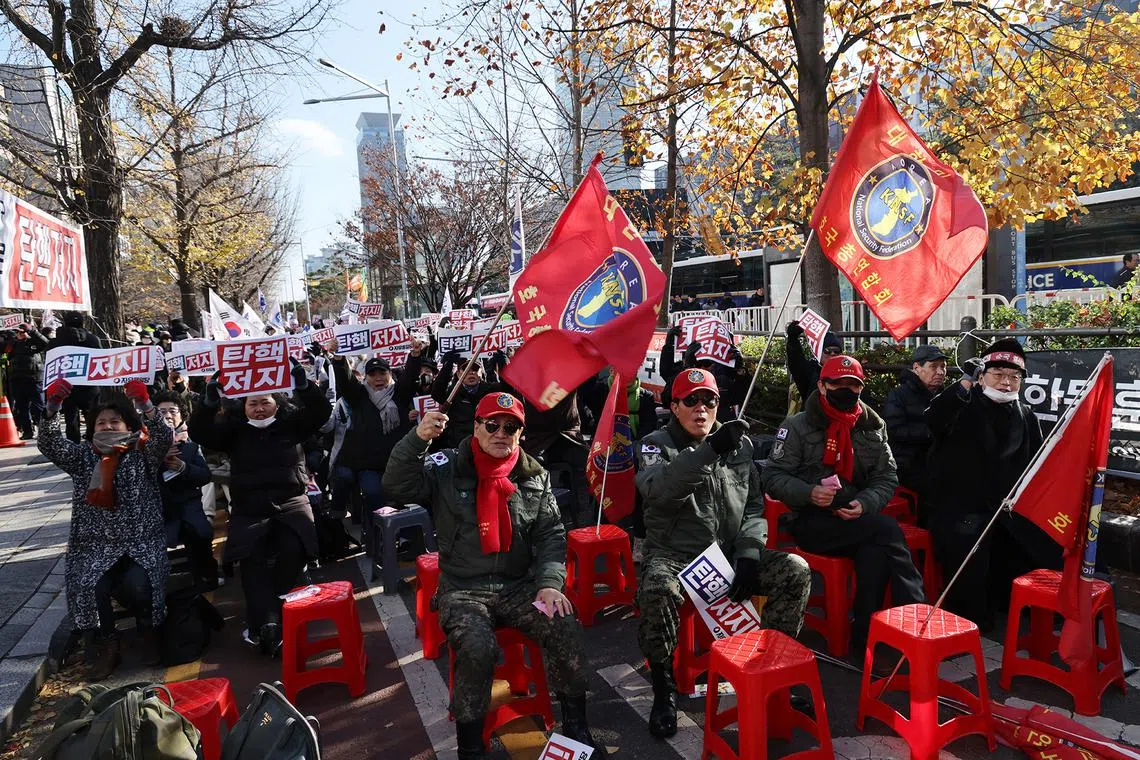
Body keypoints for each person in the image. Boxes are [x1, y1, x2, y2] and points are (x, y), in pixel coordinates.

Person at [383, 393, 606, 758]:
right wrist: (416, 439)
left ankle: (576, 726)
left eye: (511, 426)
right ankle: (470, 745)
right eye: (492, 424)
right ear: (476, 426)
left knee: (564, 622)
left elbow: (551, 534)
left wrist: (550, 584)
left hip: (519, 586)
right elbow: (397, 486)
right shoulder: (447, 466)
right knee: (477, 647)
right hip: (463, 589)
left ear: (520, 432)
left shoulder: (534, 475)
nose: (501, 433)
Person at [635, 368, 812, 737]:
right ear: (674, 406)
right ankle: (664, 685)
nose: (701, 408)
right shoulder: (655, 445)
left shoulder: (739, 445)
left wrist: (748, 553)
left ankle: (775, 668)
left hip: (729, 551)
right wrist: (707, 451)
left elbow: (753, 508)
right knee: (657, 591)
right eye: (691, 400)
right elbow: (660, 493)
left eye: (709, 400)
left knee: (795, 570)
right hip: (675, 554)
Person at [762, 355, 925, 656]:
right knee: (887, 530)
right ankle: (916, 615)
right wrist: (809, 492)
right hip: (812, 521)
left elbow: (887, 476)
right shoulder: (797, 426)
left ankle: (863, 641)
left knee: (875, 553)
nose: (846, 391)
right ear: (823, 386)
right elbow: (772, 476)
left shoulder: (872, 426)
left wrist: (864, 503)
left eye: (854, 385)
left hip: (858, 519)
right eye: (839, 384)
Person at [188, 359, 331, 655]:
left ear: (276, 402)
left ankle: (282, 617)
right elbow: (201, 432)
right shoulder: (233, 430)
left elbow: (321, 413)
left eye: (265, 402)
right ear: (244, 406)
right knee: (250, 559)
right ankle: (263, 624)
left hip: (291, 503)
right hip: (249, 509)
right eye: (253, 404)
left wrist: (304, 386)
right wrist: (208, 402)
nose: (259, 408)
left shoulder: (292, 424)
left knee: (292, 551)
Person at [38, 379, 172, 679]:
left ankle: (148, 631)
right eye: (102, 422)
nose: (109, 427)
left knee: (142, 586)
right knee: (89, 586)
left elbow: (164, 435)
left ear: (128, 424)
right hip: (94, 544)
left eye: (115, 421)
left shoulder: (142, 450)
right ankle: (106, 645)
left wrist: (146, 404)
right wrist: (52, 408)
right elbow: (49, 444)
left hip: (141, 541)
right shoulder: (83, 456)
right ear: (92, 427)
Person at [924, 338, 1060, 628]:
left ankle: (1021, 608)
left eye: (1014, 377)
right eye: (998, 375)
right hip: (960, 504)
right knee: (968, 544)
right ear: (982, 376)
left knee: (1042, 540)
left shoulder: (1026, 415)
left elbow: (1037, 464)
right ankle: (967, 620)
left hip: (1007, 506)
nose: (1006, 383)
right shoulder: (963, 403)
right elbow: (933, 420)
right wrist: (963, 383)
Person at [327, 346, 423, 521]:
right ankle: (377, 532)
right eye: (373, 374)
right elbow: (346, 381)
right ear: (366, 377)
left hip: (398, 460)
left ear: (390, 374)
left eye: (382, 373)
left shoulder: (400, 393)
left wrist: (415, 356)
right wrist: (339, 359)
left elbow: (409, 377)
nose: (378, 378)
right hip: (369, 465)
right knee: (373, 494)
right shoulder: (358, 396)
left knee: (408, 497)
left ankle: (406, 535)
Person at [154, 391, 219, 591]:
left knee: (200, 532)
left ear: (181, 415)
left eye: (172, 411)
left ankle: (208, 575)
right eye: (161, 411)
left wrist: (182, 467)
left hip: (189, 505)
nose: (167, 416)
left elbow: (205, 476)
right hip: (159, 508)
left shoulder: (190, 446)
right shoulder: (144, 446)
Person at [883, 344, 948, 521]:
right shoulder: (898, 395)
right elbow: (894, 429)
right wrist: (930, 433)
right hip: (908, 463)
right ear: (917, 368)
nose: (940, 372)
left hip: (937, 460)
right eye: (934, 366)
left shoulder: (944, 396)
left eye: (943, 366)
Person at [47, 313, 102, 441]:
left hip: (66, 385)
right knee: (93, 417)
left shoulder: (55, 342)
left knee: (70, 419)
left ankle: (74, 447)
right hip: (90, 383)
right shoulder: (93, 339)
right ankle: (95, 444)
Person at [431, 351, 500, 448]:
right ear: (458, 374)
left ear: (481, 373)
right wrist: (448, 366)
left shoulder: (491, 391)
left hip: (487, 445)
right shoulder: (452, 393)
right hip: (459, 446)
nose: (471, 372)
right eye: (466, 369)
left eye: (475, 369)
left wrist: (503, 364)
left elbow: (509, 390)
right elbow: (436, 393)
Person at [5, 323, 48, 439]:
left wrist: (33, 331)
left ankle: (43, 430)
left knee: (39, 406)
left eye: (23, 332)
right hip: (17, 379)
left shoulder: (34, 342)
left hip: (34, 379)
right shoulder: (12, 344)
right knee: (22, 407)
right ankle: (27, 431)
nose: (21, 334)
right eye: (19, 332)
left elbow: (45, 343)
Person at [785, 321, 843, 403]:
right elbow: (796, 361)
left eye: (836, 351)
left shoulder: (846, 370)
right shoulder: (811, 370)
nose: (832, 354)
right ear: (819, 353)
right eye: (827, 351)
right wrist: (792, 338)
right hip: (813, 413)